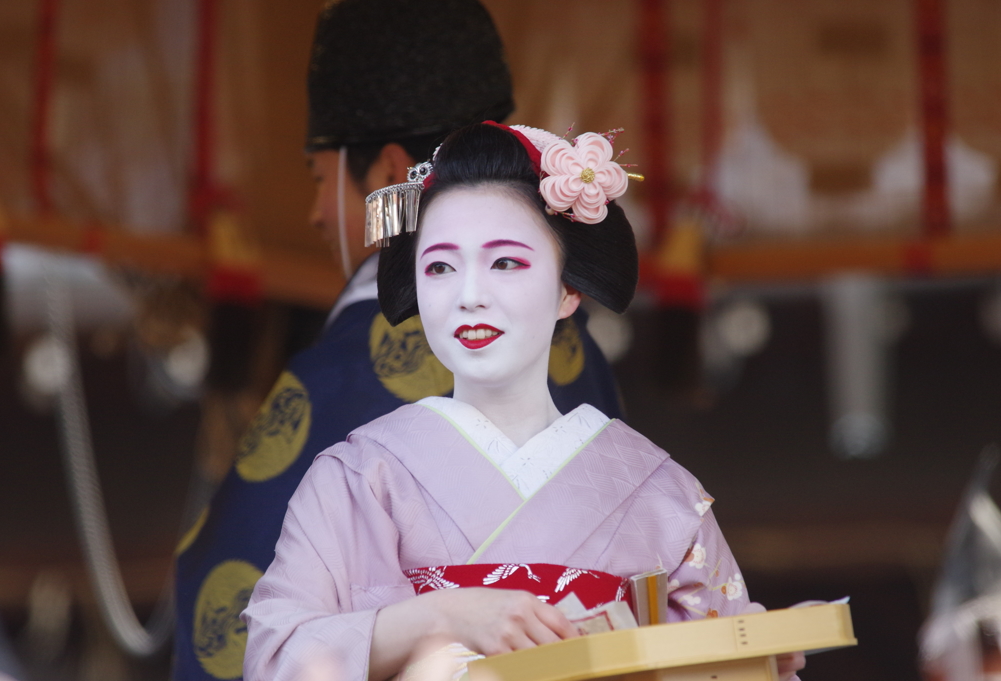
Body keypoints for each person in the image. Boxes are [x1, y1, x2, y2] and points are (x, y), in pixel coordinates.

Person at [241, 122, 806, 681]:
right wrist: (442, 616)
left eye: (505, 262)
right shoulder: (358, 477)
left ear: (568, 288)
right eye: (439, 267)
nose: (469, 296)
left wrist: (757, 661)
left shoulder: (659, 494)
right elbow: (276, 658)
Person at [172, 2, 623, 679]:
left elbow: (233, 605)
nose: (316, 213)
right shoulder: (572, 344)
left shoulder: (342, 378)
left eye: (319, 178)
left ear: (386, 172)